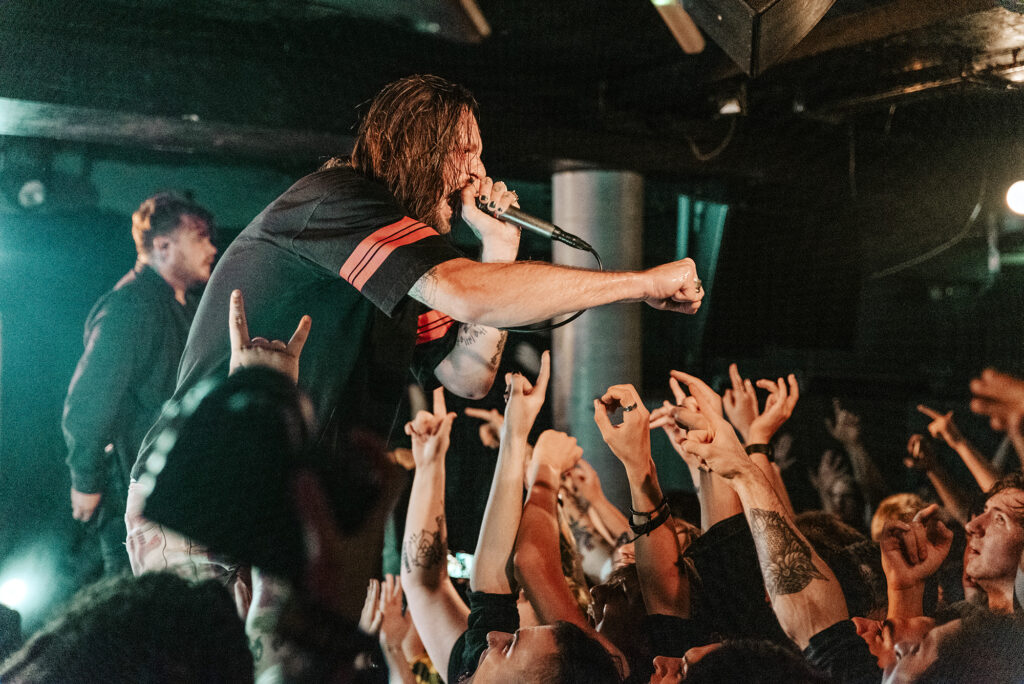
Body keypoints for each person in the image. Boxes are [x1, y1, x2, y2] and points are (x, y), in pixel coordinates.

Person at [128, 74, 704, 513]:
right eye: (464, 151)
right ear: (417, 147)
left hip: (293, 506)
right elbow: (467, 294)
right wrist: (641, 283)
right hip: (212, 488)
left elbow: (467, 377)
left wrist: (499, 248)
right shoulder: (337, 200)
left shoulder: (404, 263)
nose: (478, 173)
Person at [62, 192, 216, 575]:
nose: (212, 247)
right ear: (162, 246)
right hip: (132, 497)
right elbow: (90, 399)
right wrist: (86, 478)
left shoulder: (186, 308)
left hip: (174, 498)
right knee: (138, 614)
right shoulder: (131, 306)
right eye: (199, 236)